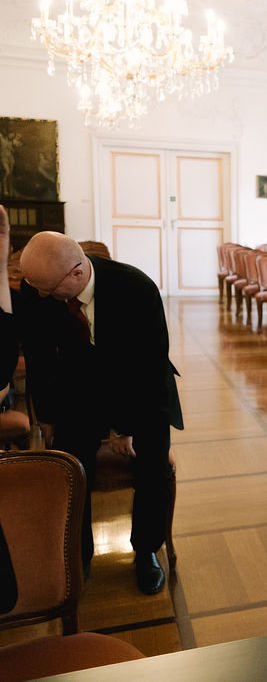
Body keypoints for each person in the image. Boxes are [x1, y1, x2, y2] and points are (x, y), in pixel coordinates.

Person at [0, 209, 183, 595]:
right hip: (80, 390)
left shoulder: (137, 289)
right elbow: (39, 356)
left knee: (153, 464)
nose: (41, 296)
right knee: (69, 466)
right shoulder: (39, 287)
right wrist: (46, 416)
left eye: (50, 290)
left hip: (142, 392)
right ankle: (77, 554)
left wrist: (124, 428)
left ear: (77, 274)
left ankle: (146, 550)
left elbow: (147, 367)